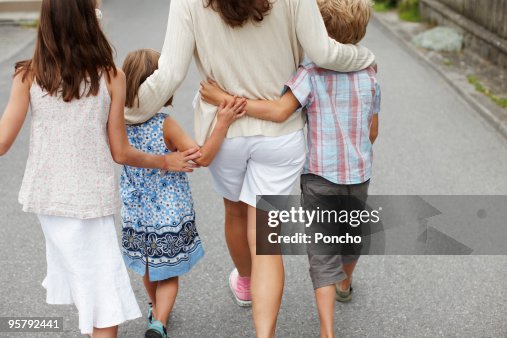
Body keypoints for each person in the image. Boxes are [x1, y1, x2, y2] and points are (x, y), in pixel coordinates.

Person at [124, 0, 375, 336]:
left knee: (236, 213)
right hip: (278, 136)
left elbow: (169, 74)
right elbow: (326, 54)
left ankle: (245, 282)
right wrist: (364, 57)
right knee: (266, 240)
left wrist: (126, 111)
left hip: (224, 130)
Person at [0, 1, 201, 337]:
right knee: (105, 300)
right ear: (89, 22)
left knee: (90, 287)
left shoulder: (29, 75)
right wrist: (164, 161)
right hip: (90, 203)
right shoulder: (110, 76)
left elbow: (3, 141)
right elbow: (121, 151)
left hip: (48, 201)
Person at [200, 0, 380, 336]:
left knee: (322, 251)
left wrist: (224, 99)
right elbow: (373, 130)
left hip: (318, 176)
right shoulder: (369, 72)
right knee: (352, 236)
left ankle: (327, 330)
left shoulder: (310, 73)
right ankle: (347, 283)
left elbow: (281, 111)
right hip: (359, 174)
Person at [120, 49, 246, 338]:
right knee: (169, 275)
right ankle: (159, 323)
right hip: (169, 214)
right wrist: (222, 123)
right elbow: (200, 157)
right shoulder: (165, 124)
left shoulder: (118, 123)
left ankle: (155, 309)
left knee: (149, 268)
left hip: (136, 212)